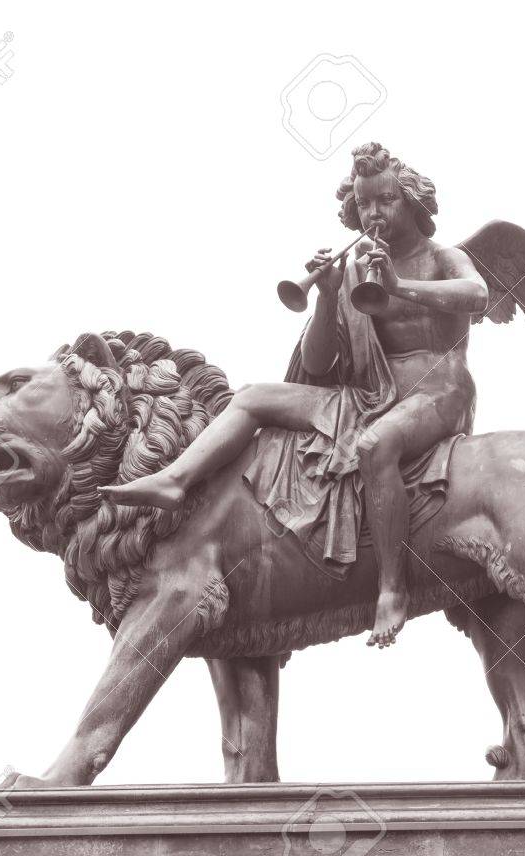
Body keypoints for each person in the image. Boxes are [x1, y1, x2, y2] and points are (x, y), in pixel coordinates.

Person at [100, 143, 488, 648]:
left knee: (376, 447)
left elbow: (478, 296)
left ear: (410, 201)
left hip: (438, 390)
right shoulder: (358, 270)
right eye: (365, 204)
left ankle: (392, 587)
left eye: (386, 200)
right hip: (369, 396)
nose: (374, 213)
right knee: (254, 396)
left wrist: (398, 286)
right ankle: (176, 479)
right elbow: (317, 364)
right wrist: (328, 295)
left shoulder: (441, 257)